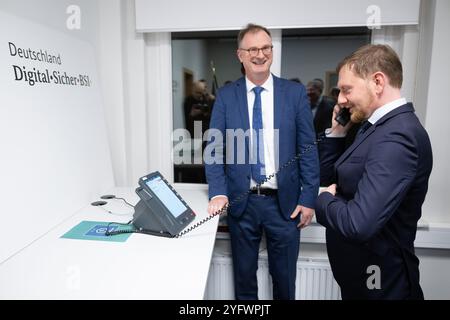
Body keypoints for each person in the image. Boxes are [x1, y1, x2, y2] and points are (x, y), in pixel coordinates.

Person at [205, 23, 319, 300]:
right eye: (253, 49)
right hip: (242, 204)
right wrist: (218, 192)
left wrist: (309, 197)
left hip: (287, 206)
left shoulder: (293, 93)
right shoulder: (226, 96)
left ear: (272, 51)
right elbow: (214, 148)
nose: (260, 54)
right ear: (240, 55)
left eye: (266, 47)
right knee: (244, 284)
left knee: (284, 282)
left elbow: (308, 148)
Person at [315, 44, 433, 299]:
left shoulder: (397, 136)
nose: (341, 100)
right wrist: (337, 132)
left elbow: (359, 224)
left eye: (347, 90)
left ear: (378, 82)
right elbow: (330, 177)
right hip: (362, 281)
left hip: (381, 285)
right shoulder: (371, 127)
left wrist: (323, 199)